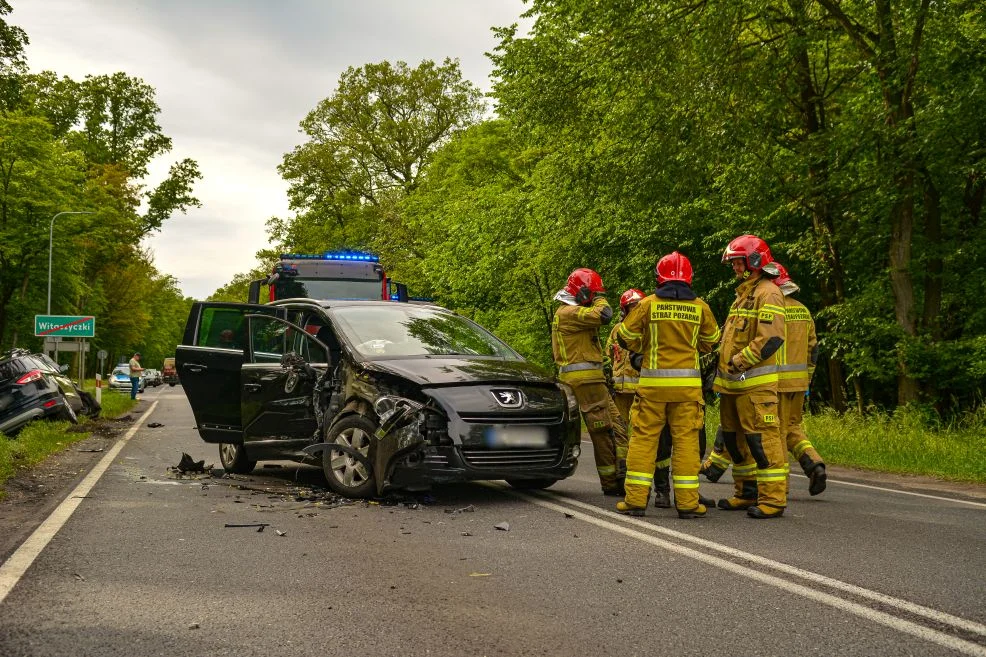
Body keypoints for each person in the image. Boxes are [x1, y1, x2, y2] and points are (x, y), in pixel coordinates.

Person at [700, 262, 827, 497]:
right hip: (797, 384)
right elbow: (813, 350)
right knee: (791, 429)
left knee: (770, 436)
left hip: (766, 381)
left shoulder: (766, 301)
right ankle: (813, 464)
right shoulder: (803, 310)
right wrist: (806, 380)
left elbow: (766, 341)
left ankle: (778, 489)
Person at [615, 252, 720, 518]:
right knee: (686, 443)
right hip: (687, 391)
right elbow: (712, 341)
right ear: (689, 277)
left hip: (652, 389)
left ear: (659, 278)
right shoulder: (701, 307)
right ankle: (687, 504)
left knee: (643, 440)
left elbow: (625, 337)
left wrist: (644, 345)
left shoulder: (647, 305)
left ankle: (636, 501)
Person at [714, 235, 788, 519]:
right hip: (734, 385)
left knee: (762, 441)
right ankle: (746, 492)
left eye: (737, 262)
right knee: (735, 441)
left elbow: (771, 338)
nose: (734, 267)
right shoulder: (743, 294)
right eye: (733, 262)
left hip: (754, 385)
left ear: (754, 261)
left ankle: (773, 499)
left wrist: (739, 362)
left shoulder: (768, 292)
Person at [552, 268, 629, 495]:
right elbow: (604, 314)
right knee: (602, 431)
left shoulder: (570, 312)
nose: (594, 297)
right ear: (582, 291)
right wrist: (598, 299)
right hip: (585, 383)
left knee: (618, 426)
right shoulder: (569, 313)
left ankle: (622, 471)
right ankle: (611, 483)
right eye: (592, 292)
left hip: (593, 382)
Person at [606, 288, 673, 508]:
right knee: (622, 437)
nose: (634, 311)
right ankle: (628, 484)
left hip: (645, 394)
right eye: (630, 308)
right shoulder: (617, 330)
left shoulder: (651, 330)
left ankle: (661, 489)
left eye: (637, 307)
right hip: (620, 394)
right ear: (624, 310)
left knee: (654, 442)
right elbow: (609, 355)